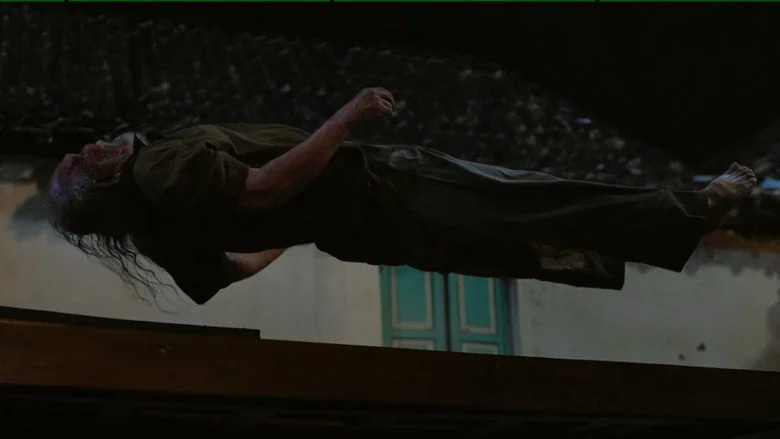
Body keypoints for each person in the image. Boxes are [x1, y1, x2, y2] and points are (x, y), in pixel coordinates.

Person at [47, 87, 757, 305]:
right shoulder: (157, 165)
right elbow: (268, 186)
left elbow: (224, 272)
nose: (95, 144)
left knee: (503, 238)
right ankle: (690, 211)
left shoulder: (155, 231)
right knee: (528, 199)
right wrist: (347, 117)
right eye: (85, 157)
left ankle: (637, 240)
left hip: (361, 229)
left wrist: (293, 230)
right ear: (102, 178)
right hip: (382, 186)